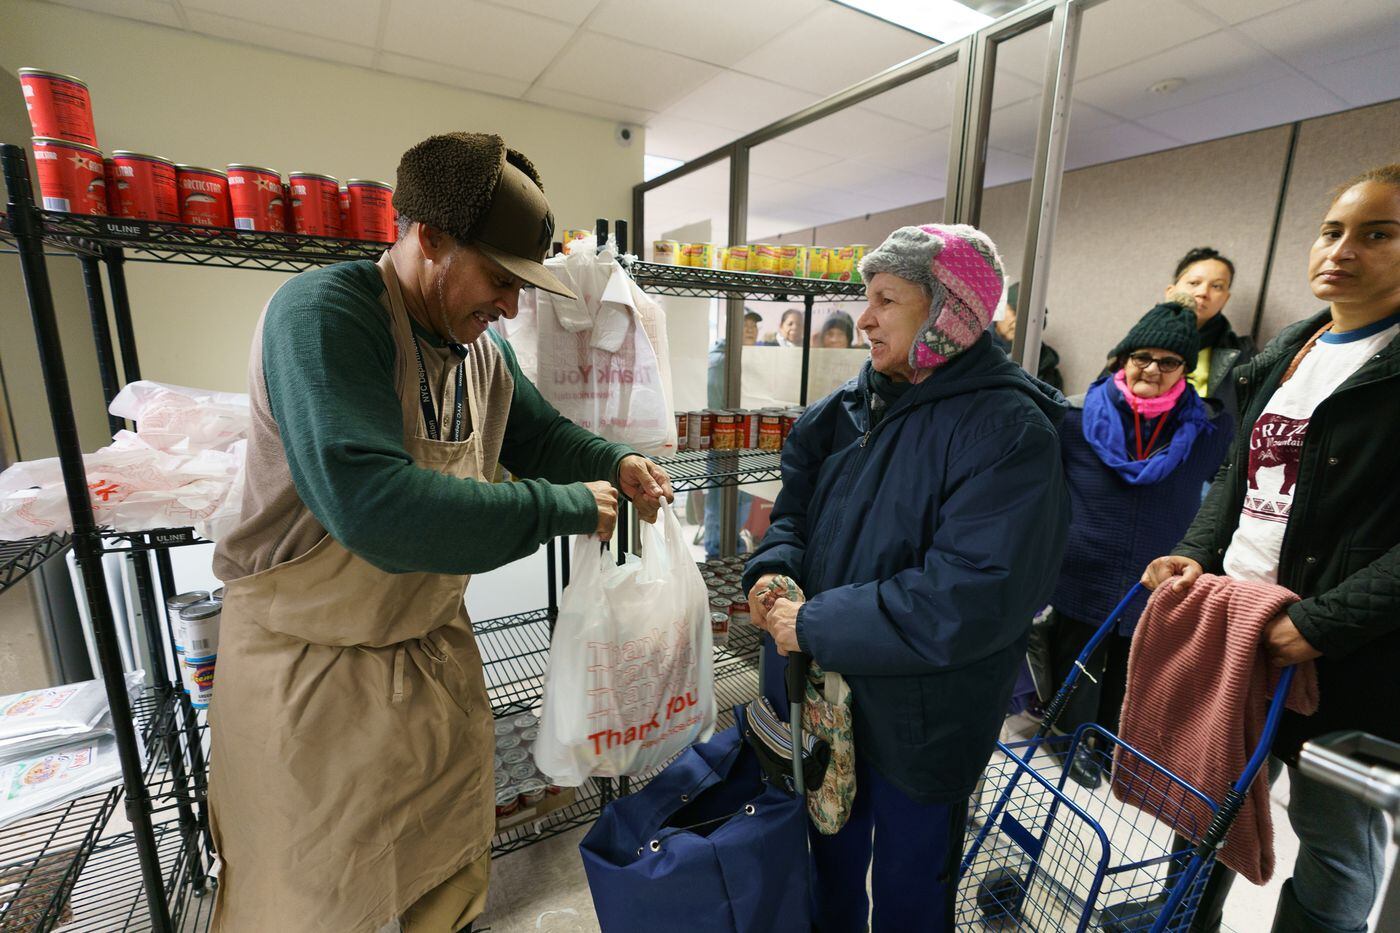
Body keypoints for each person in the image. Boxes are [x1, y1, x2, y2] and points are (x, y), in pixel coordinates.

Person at [207, 132, 675, 933]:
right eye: (499, 279)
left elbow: (543, 437)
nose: (511, 307)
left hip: (427, 663)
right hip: (311, 684)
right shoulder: (325, 317)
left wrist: (616, 459)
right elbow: (377, 509)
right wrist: (559, 506)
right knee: (315, 903)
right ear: (430, 238)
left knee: (441, 887)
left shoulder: (480, 354)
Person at [743, 224, 1070, 931]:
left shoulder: (1011, 430)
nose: (863, 318)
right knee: (827, 862)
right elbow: (791, 513)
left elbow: (972, 595)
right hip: (830, 700)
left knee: (910, 891)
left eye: (886, 298)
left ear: (949, 312)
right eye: (867, 297)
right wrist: (771, 571)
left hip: (925, 720)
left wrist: (814, 624)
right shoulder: (848, 409)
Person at [1141, 164, 1400, 933]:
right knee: (1204, 802)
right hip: (1240, 631)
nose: (1342, 249)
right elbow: (1239, 474)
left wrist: (1320, 624)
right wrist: (1194, 549)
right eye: (1332, 230)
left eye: (1377, 234)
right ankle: (1179, 922)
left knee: (1334, 841)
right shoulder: (1294, 347)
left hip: (1352, 660)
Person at [1042, 299, 1232, 788]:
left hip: (1159, 567)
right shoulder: (1075, 420)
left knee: (1132, 664)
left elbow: (1223, 493)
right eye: (1141, 357)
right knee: (1077, 656)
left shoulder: (1208, 428)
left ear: (1184, 371)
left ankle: (1107, 740)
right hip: (1083, 562)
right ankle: (1065, 738)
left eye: (1169, 362)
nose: (1152, 369)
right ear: (1122, 360)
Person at [1164, 246, 1255, 423]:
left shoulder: (1244, 355)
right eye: (1194, 283)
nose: (1203, 293)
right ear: (1171, 292)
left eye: (1217, 286)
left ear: (1226, 298)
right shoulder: (1137, 344)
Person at [991, 281, 1064, 391]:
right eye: (1014, 311)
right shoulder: (976, 347)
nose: (1017, 321)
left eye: (1025, 318)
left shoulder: (1046, 366)